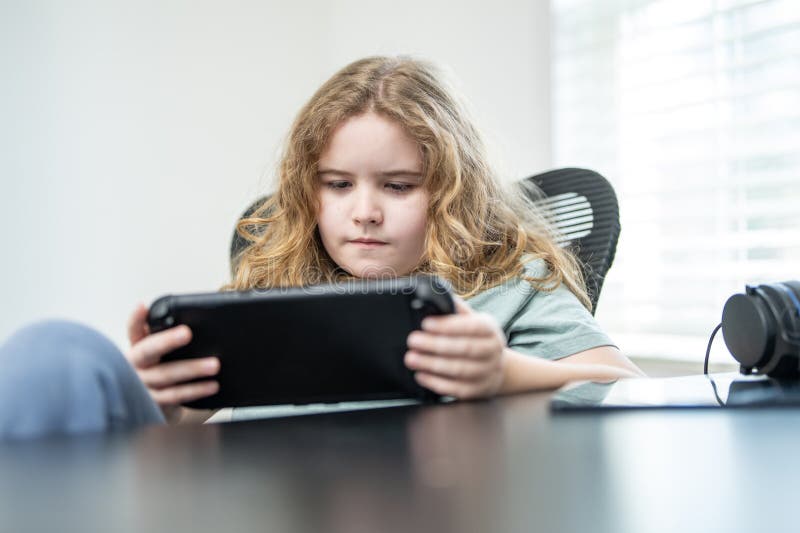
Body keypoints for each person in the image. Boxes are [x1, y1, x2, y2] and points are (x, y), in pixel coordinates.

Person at [0, 56, 643, 439]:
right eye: (337, 185)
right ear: (306, 190)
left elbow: (632, 389)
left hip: (429, 502)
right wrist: (167, 402)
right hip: (266, 503)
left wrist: (504, 375)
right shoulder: (279, 283)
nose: (362, 212)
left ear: (451, 189)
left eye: (398, 186)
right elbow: (196, 429)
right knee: (55, 353)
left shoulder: (508, 283)